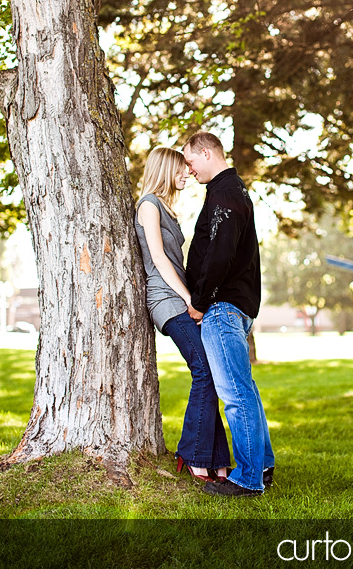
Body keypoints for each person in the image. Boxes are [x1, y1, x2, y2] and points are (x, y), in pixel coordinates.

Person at [183, 131, 275, 497]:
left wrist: (200, 301)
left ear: (206, 154)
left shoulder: (224, 193)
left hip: (221, 307)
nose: (189, 171)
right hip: (237, 304)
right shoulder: (234, 190)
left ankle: (249, 479)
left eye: (191, 162)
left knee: (236, 395)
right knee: (246, 391)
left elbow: (218, 254)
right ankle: (262, 466)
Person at [134, 146, 231, 482]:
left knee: (212, 373)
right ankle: (192, 455)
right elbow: (159, 261)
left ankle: (218, 461)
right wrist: (192, 298)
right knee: (204, 369)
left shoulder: (167, 209)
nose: (187, 172)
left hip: (180, 297)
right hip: (167, 300)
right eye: (181, 168)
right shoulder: (148, 205)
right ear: (165, 170)